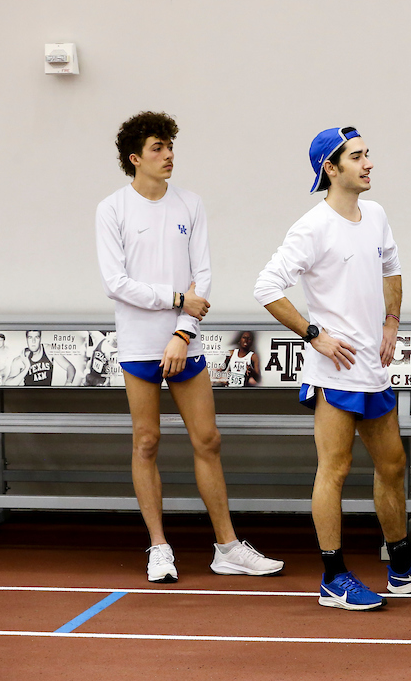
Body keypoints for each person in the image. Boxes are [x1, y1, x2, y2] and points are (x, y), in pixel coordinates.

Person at [255, 125, 411, 611]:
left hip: (373, 366)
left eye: (369, 154)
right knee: (335, 469)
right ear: (331, 168)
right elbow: (267, 287)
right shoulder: (311, 227)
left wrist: (392, 321)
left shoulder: (376, 215)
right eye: (357, 157)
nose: (368, 163)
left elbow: (392, 268)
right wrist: (315, 336)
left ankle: (403, 566)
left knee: (393, 464)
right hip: (335, 371)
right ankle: (333, 577)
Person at [96, 111, 283, 583]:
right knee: (147, 441)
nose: (169, 155)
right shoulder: (112, 209)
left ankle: (227, 547)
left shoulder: (191, 204)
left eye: (170, 146)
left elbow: (204, 275)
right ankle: (159, 546)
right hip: (138, 346)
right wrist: (176, 298)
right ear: (135, 158)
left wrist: (182, 331)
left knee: (208, 440)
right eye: (158, 148)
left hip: (185, 343)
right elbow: (116, 284)